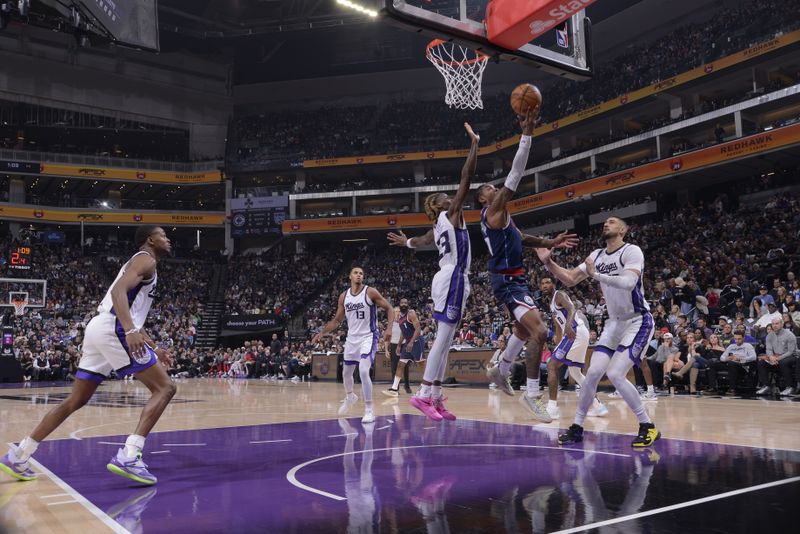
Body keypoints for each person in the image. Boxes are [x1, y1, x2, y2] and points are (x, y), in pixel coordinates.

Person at [1, 226, 176, 485]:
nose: (168, 239)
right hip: (113, 327)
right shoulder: (145, 258)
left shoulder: (143, 263)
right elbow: (118, 293)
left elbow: (129, 307)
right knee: (165, 388)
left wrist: (151, 346)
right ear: (150, 239)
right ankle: (130, 455)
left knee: (75, 400)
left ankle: (20, 454)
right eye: (163, 235)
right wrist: (128, 330)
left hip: (99, 328)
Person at [474, 108, 578, 423]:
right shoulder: (493, 211)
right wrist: (527, 135)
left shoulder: (502, 218)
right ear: (484, 200)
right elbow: (516, 175)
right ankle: (532, 395)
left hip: (508, 279)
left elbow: (522, 238)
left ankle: (500, 369)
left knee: (522, 328)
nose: (496, 189)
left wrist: (550, 243)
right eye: (491, 189)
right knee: (542, 331)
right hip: (507, 280)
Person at [537, 216, 660, 447]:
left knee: (615, 374)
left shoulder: (632, 251)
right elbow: (571, 279)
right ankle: (577, 427)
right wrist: (549, 263)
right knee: (592, 373)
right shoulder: (596, 255)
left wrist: (596, 275)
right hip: (613, 323)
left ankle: (648, 426)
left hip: (638, 320)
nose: (606, 224)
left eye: (612, 222)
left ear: (623, 229)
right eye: (605, 222)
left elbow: (628, 283)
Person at [387, 122, 479, 422]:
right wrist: (474, 146)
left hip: (456, 277)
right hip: (451, 275)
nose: (451, 197)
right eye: (444, 196)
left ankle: (436, 395)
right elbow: (466, 179)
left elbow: (425, 240)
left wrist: (407, 242)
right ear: (438, 206)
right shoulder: (448, 215)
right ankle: (423, 394)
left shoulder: (438, 224)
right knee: (442, 338)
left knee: (448, 338)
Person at [312, 267, 393, 423]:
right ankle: (350, 396)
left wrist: (389, 329)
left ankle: (369, 410)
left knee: (363, 370)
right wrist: (322, 333)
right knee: (346, 373)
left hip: (368, 336)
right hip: (352, 339)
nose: (359, 275)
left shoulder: (370, 292)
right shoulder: (344, 296)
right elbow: (337, 321)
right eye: (356, 273)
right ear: (350, 276)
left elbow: (389, 308)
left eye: (361, 273)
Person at [537, 276, 608, 420]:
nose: (545, 285)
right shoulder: (551, 304)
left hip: (574, 332)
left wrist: (569, 324)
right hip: (576, 334)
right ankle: (598, 405)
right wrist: (558, 345)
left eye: (548, 282)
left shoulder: (559, 295)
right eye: (542, 283)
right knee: (575, 373)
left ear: (553, 284)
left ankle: (552, 408)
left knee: (551, 365)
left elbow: (572, 308)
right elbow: (558, 325)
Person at [383, 298, 423, 397]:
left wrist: (412, 342)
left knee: (422, 365)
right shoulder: (400, 319)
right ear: (399, 305)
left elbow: (418, 329)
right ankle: (394, 388)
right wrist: (399, 345)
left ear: (408, 304)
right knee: (401, 364)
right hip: (407, 342)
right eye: (402, 303)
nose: (404, 304)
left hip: (417, 341)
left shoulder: (411, 313)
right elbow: (402, 333)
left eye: (406, 302)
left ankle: (428, 387)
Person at [756, 316, 797, 396]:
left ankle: (790, 387)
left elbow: (791, 351)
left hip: (791, 356)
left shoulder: (789, 335)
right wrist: (771, 357)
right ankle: (767, 386)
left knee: (783, 362)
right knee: (762, 363)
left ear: (782, 324)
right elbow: (769, 350)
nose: (774, 326)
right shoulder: (769, 336)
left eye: (777, 324)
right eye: (773, 324)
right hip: (775, 357)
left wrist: (778, 358)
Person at [386, 306, 411, 393]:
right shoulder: (390, 323)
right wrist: (386, 349)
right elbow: (387, 338)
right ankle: (395, 387)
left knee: (405, 366)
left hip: (404, 344)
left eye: (398, 311)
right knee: (394, 367)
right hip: (393, 345)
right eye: (395, 311)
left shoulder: (404, 321)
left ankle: (407, 386)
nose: (397, 312)